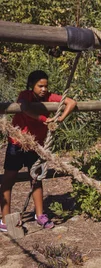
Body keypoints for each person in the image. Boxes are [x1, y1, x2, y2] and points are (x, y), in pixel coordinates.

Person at [1, 70, 77, 232]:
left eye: (45, 86)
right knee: (9, 178)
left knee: (36, 177)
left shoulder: (50, 97)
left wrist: (61, 118)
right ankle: (4, 218)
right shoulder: (25, 95)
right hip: (18, 142)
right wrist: (44, 119)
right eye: (40, 86)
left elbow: (71, 102)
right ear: (32, 86)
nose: (43, 89)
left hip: (36, 145)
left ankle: (40, 214)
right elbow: (25, 108)